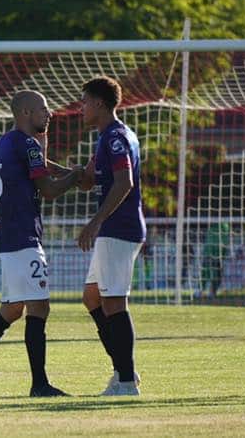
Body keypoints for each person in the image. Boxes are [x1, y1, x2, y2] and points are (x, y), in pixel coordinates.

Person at [0, 90, 81, 397]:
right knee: (39, 307)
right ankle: (39, 384)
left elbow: (40, 164)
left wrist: (66, 167)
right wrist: (75, 176)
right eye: (43, 109)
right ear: (25, 113)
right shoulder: (25, 144)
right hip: (23, 237)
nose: (48, 114)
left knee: (11, 310)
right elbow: (47, 189)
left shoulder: (9, 142)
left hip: (11, 235)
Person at [77, 76, 146, 396]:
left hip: (119, 228)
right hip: (114, 229)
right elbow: (89, 179)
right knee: (93, 297)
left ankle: (127, 380)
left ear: (100, 104)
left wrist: (95, 222)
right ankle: (123, 368)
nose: (82, 109)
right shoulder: (108, 137)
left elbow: (124, 183)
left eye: (85, 102)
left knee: (114, 301)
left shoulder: (116, 137)